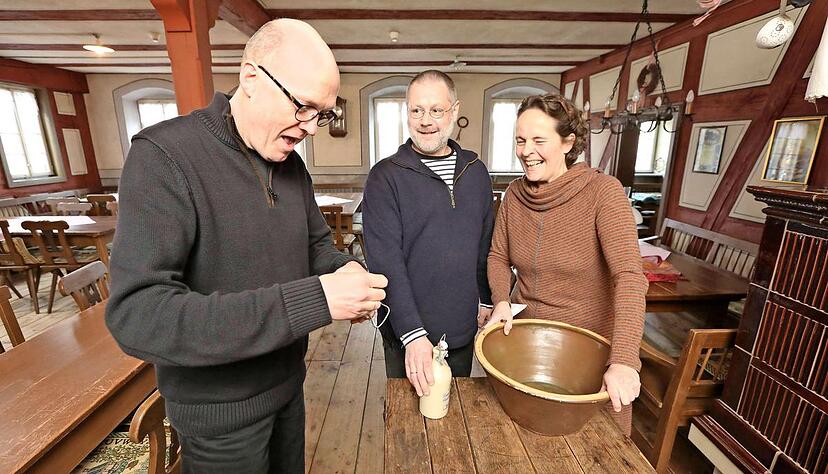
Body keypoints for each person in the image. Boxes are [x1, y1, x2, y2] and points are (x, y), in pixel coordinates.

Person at [105, 19, 387, 473]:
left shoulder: (292, 167)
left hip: (288, 386)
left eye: (324, 113)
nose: (312, 127)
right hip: (218, 417)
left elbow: (315, 245)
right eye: (304, 107)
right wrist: (313, 299)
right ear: (251, 78)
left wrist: (342, 268)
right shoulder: (165, 155)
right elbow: (139, 316)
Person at [483, 94, 648, 434]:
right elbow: (498, 256)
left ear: (568, 142)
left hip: (585, 355)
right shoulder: (515, 195)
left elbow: (630, 278)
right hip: (525, 349)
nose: (526, 150)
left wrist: (624, 361)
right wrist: (501, 299)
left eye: (539, 140)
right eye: (520, 140)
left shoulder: (604, 193)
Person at [362, 70, 494, 397]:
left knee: (455, 418)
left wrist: (487, 299)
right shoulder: (384, 177)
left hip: (461, 329)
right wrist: (412, 334)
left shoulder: (476, 172)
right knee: (408, 428)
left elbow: (484, 245)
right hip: (406, 334)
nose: (426, 120)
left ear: (455, 110)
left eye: (437, 110)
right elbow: (385, 263)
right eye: (416, 110)